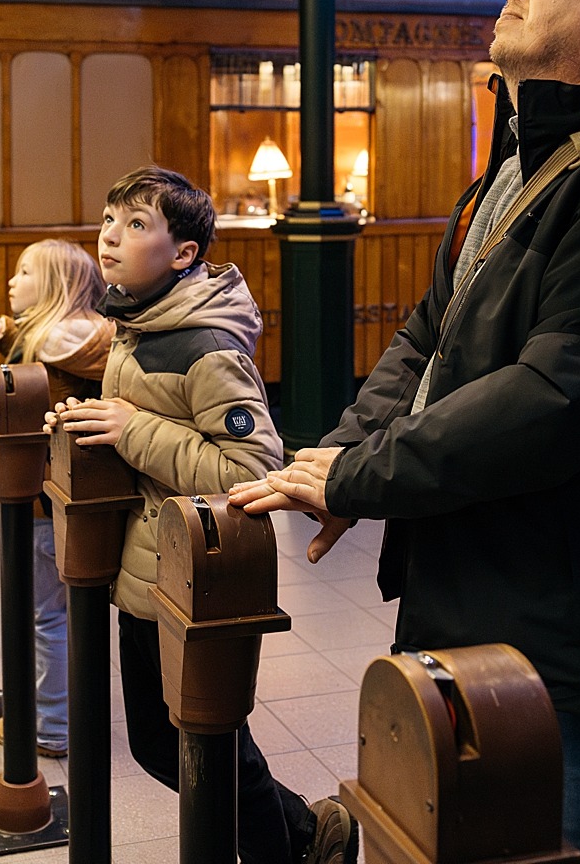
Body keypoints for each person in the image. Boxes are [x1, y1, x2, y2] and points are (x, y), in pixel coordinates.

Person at [231, 0, 580, 864]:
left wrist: (362, 478)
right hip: (470, 595)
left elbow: (559, 395)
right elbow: (427, 338)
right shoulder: (512, 169)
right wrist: (345, 453)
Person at [51, 165, 355, 864]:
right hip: (146, 566)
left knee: (198, 743)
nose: (110, 238)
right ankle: (309, 834)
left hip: (191, 574)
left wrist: (129, 430)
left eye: (135, 225)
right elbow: (143, 428)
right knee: (175, 745)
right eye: (107, 220)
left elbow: (252, 469)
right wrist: (92, 425)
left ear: (183, 252)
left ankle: (299, 845)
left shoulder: (204, 343)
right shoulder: (136, 321)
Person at [0, 238, 112, 757]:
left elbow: (19, 432)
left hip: (44, 504)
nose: (12, 283)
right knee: (65, 614)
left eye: (24, 273)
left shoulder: (48, 349)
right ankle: (63, 716)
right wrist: (6, 329)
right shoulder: (80, 341)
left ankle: (53, 726)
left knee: (46, 618)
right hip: (80, 500)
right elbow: (57, 352)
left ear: (56, 287)